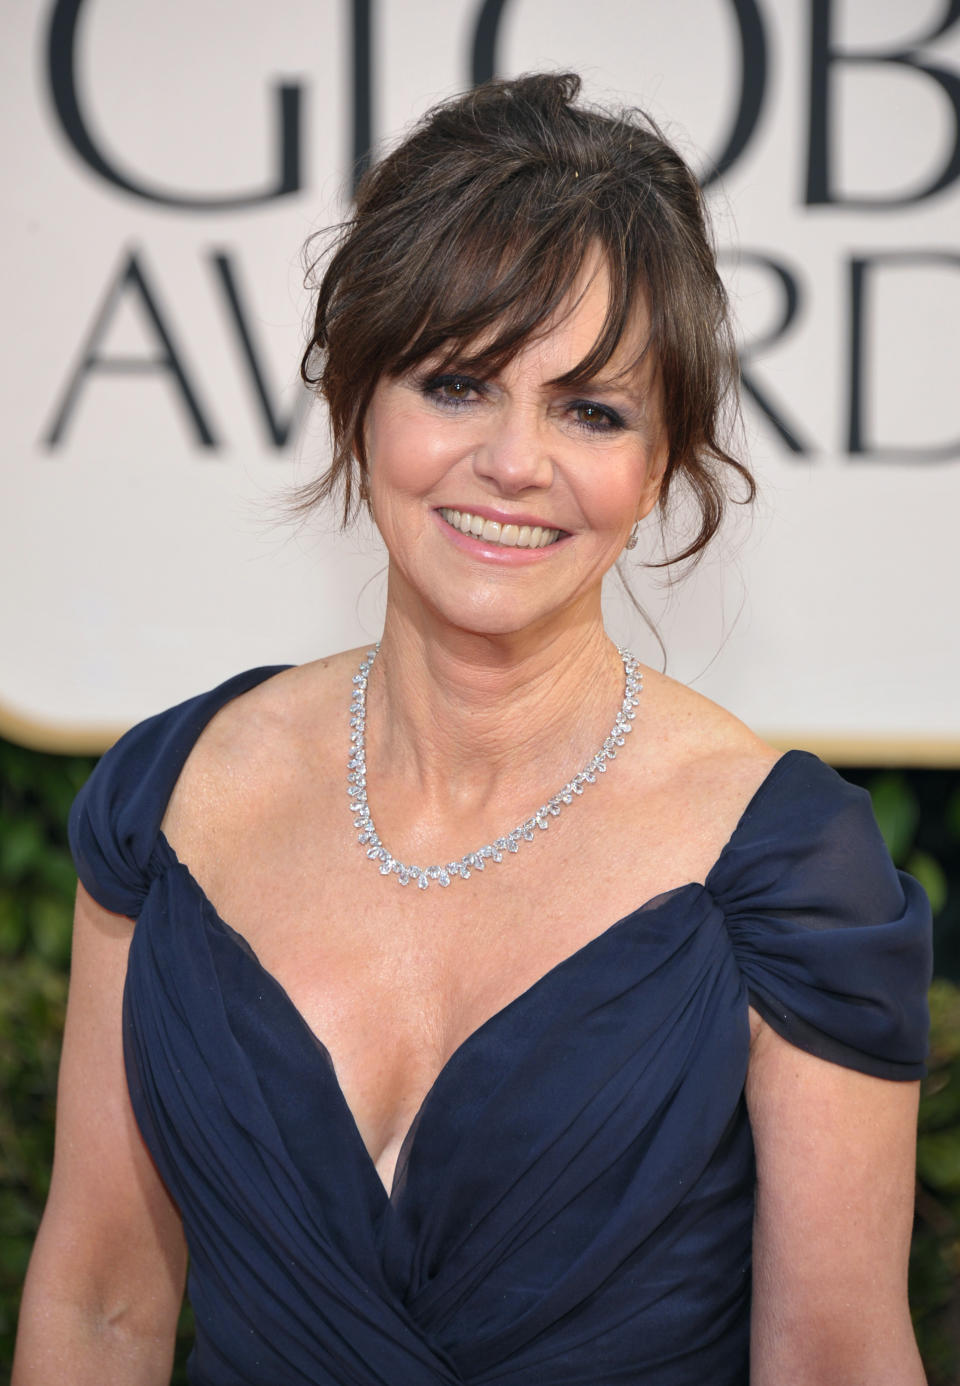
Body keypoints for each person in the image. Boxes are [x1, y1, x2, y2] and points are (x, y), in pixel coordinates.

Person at [14, 73, 931, 1386]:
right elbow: (98, 1305)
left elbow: (836, 1359)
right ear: (358, 396)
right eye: (456, 383)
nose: (513, 461)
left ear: (661, 460)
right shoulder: (171, 802)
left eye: (591, 408)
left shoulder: (788, 878)